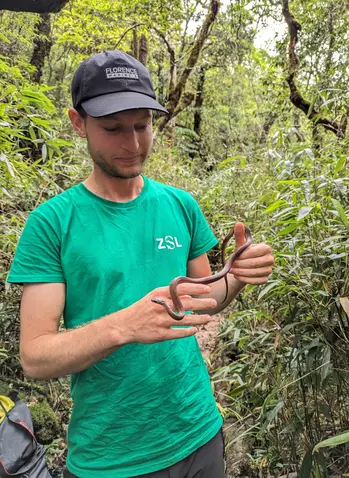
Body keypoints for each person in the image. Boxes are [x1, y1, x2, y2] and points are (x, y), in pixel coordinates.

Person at [7, 50, 274, 478]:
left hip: (200, 432)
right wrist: (125, 325)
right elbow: (36, 358)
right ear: (79, 124)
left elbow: (202, 301)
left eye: (142, 126)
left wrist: (237, 277)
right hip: (111, 457)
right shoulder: (51, 224)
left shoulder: (179, 205)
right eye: (113, 128)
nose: (132, 144)